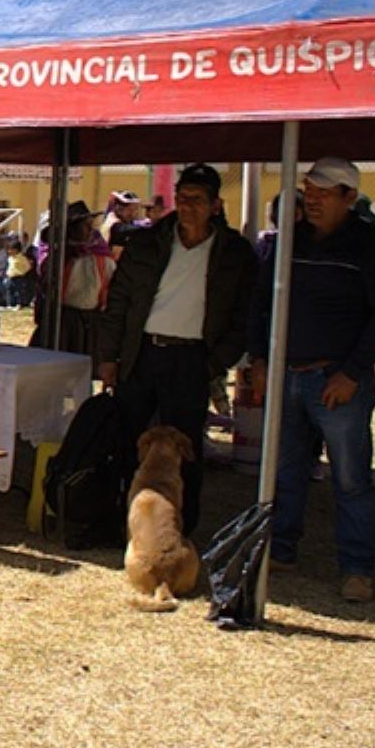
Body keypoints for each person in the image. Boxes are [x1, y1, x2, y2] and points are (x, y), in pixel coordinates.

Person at [246, 158, 375, 603]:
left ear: (349, 198)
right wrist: (258, 356)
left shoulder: (371, 248)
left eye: (323, 192)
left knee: (350, 478)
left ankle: (357, 567)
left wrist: (351, 373)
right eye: (308, 190)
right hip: (285, 375)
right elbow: (261, 302)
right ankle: (283, 550)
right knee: (285, 471)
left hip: (338, 383)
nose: (312, 199)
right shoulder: (286, 242)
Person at [98, 165, 256, 539]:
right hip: (142, 354)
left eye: (196, 201)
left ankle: (179, 527)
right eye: (182, 199)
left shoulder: (234, 253)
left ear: (215, 205)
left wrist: (216, 362)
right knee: (128, 441)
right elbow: (118, 301)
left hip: (192, 359)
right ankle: (123, 521)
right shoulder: (148, 243)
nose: (187, 208)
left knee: (185, 450)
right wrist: (108, 356)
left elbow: (245, 315)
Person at [32, 201, 113, 360]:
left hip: (90, 322)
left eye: (91, 225)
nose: (91, 230)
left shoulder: (101, 259)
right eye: (85, 225)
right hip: (62, 322)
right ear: (71, 229)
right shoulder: (57, 260)